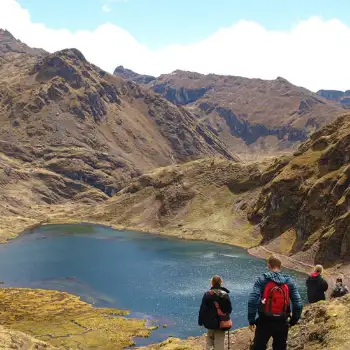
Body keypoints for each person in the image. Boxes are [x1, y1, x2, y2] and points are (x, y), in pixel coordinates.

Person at [248, 255, 303, 350]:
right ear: (280, 266)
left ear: (268, 265)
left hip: (264, 321)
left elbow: (253, 300)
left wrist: (251, 319)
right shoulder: (289, 281)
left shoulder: (262, 280)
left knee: (258, 347)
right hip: (282, 321)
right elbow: (298, 303)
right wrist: (293, 321)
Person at [198, 275, 232, 350]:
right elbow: (229, 310)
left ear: (212, 283)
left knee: (209, 341)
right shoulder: (225, 294)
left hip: (210, 322)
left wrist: (201, 322)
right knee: (220, 343)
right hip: (222, 322)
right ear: (221, 283)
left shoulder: (207, 294)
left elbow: (202, 310)